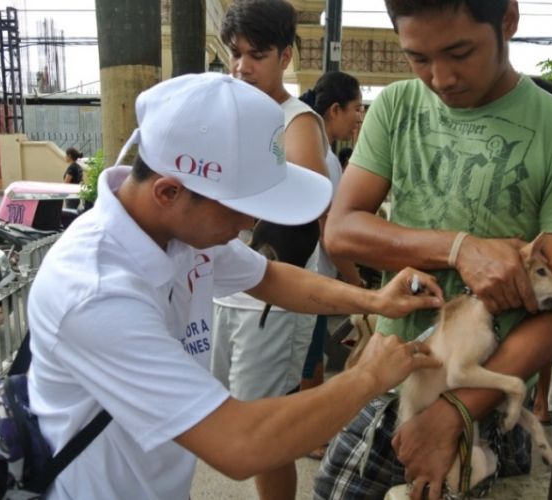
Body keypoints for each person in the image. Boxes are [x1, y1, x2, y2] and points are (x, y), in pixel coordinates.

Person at [26, 72, 445, 500]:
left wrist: (375, 300)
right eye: (239, 210)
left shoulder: (176, 233)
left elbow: (269, 276)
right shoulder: (96, 293)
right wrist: (370, 376)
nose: (250, 223)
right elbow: (240, 444)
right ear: (169, 192)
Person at [313, 1, 552, 499]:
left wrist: (455, 412)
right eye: (418, 58)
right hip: (393, 375)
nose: (440, 78)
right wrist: (460, 248)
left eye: (459, 52)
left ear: (508, 21)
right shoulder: (398, 107)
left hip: (486, 401)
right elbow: (342, 232)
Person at [210, 2, 331, 498]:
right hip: (222, 291)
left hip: (271, 300)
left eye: (256, 55)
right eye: (236, 54)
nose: (242, 66)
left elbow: (302, 212)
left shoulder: (295, 120)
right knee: (226, 415)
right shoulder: (226, 110)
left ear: (285, 56)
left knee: (265, 434)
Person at [298, 71, 365, 459]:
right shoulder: (323, 156)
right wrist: (357, 283)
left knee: (313, 355)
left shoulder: (314, 146)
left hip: (310, 271)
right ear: (335, 109)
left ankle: (317, 429)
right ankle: (310, 436)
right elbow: (331, 231)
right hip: (312, 273)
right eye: (356, 109)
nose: (359, 118)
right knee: (308, 360)